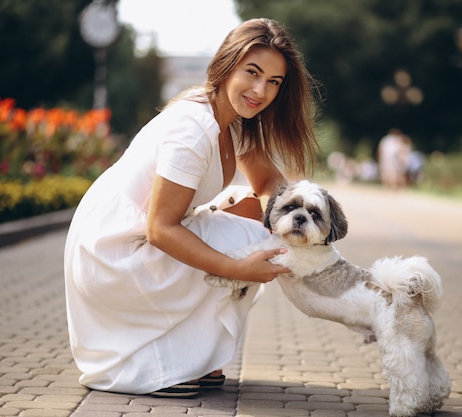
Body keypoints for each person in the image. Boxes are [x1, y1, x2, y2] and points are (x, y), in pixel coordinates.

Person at [63, 18, 320, 398]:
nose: (260, 90)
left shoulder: (234, 121)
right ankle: (160, 366)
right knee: (252, 240)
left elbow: (270, 186)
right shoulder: (194, 128)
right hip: (113, 252)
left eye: (273, 82)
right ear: (227, 64)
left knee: (257, 220)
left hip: (137, 239)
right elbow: (161, 229)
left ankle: (194, 356)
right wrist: (238, 265)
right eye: (252, 72)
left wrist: (275, 223)